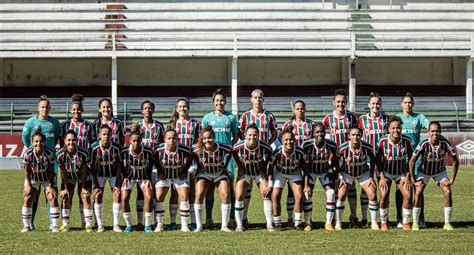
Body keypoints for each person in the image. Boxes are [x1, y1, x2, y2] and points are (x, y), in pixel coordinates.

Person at [238, 89, 278, 228]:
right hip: (248, 159)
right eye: (255, 97)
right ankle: (243, 219)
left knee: (265, 191)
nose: (258, 99)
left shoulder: (269, 117)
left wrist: (266, 145)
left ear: (263, 99)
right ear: (251, 99)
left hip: (263, 159)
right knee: (246, 191)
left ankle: (270, 223)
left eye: (260, 97)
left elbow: (274, 133)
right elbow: (240, 133)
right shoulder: (245, 116)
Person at [409, 122, 459, 231]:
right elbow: (412, 161)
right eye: (432, 131)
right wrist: (413, 179)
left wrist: (452, 179)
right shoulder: (423, 144)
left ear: (440, 132)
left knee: (448, 191)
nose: (435, 133)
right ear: (428, 132)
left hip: (439, 172)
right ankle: (416, 223)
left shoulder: (445, 144)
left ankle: (447, 223)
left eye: (437, 131)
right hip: (423, 172)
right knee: (418, 192)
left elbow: (455, 161)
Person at [21, 95, 61, 230]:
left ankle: (52, 223)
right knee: (32, 194)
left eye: (47, 107)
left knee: (50, 193)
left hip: (50, 163)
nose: (45, 109)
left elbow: (56, 139)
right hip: (34, 165)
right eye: (42, 107)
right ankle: (30, 223)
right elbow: (25, 139)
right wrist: (34, 150)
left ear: (50, 108)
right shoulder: (30, 122)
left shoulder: (54, 123)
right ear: (38, 108)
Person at [322, 89, 360, 228]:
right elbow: (322, 134)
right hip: (335, 157)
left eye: (343, 102)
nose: (340, 104)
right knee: (337, 186)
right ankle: (335, 218)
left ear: (346, 102)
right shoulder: (328, 119)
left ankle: (353, 215)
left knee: (351, 185)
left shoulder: (352, 118)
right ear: (334, 102)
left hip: (349, 157)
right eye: (338, 102)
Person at [201, 89, 239, 229]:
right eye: (217, 100)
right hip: (210, 158)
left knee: (229, 188)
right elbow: (202, 138)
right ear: (213, 102)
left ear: (225, 102)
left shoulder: (231, 118)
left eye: (222, 100)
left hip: (226, 158)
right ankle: (209, 218)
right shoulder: (206, 118)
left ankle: (231, 218)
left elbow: (235, 136)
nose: (219, 103)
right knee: (209, 188)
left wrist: (230, 148)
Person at [396, 92, 430, 228]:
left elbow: (429, 126)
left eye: (410, 102)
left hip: (416, 159)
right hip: (401, 159)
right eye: (405, 102)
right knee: (400, 189)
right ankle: (400, 218)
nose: (408, 105)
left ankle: (420, 218)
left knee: (418, 189)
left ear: (413, 104)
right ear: (401, 104)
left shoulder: (419, 117)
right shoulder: (397, 118)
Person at [60, 94, 94, 228]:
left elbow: (92, 144)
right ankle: (65, 224)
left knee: (84, 195)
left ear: (82, 110)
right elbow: (61, 144)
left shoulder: (89, 126)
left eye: (78, 109)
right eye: (73, 110)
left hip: (84, 165)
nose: (76, 112)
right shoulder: (65, 125)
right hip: (68, 166)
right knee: (67, 195)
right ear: (70, 111)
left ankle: (85, 223)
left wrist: (89, 161)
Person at [335, 127, 379, 230]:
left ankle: (374, 222)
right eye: (353, 135)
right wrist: (340, 176)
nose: (356, 137)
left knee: (372, 194)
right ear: (349, 136)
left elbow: (373, 160)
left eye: (358, 135)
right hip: (347, 173)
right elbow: (335, 162)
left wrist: (371, 176)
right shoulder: (342, 148)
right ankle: (338, 222)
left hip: (363, 173)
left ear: (362, 135)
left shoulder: (367, 147)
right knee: (341, 194)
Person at [192, 126, 235, 232]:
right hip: (204, 174)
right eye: (205, 138)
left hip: (219, 173)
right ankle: (199, 226)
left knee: (225, 194)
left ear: (214, 137)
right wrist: (197, 167)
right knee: (199, 194)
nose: (207, 140)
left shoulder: (222, 147)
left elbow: (231, 152)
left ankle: (224, 226)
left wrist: (225, 166)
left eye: (210, 137)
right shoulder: (197, 149)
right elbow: (191, 156)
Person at [233, 124, 274, 231]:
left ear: (258, 135)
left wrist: (264, 166)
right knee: (239, 196)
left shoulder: (264, 147)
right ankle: (239, 224)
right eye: (250, 135)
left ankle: (269, 223)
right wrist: (240, 167)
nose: (252, 137)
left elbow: (270, 153)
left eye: (255, 135)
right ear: (245, 136)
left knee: (266, 194)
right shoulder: (239, 147)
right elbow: (233, 153)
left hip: (259, 173)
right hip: (245, 173)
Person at [168, 98, 200, 229]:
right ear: (176, 109)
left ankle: (192, 221)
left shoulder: (196, 124)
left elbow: (198, 141)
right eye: (180, 106)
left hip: (191, 162)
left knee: (191, 192)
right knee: (174, 192)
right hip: (175, 163)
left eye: (185, 106)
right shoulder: (172, 124)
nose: (182, 108)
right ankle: (172, 222)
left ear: (188, 108)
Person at [56, 130, 98, 232]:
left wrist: (84, 187)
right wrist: (65, 188)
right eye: (69, 140)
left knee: (85, 196)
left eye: (73, 140)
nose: (71, 142)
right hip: (69, 177)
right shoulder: (60, 155)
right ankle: (65, 224)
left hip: (83, 177)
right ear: (65, 141)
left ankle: (87, 225)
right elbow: (63, 172)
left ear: (77, 141)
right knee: (65, 197)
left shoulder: (83, 153)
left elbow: (83, 171)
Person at [376, 116, 413, 231]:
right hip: (386, 173)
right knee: (383, 195)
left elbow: (411, 160)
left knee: (408, 194)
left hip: (401, 173)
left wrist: (408, 177)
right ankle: (383, 222)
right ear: (388, 129)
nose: (395, 130)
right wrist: (381, 177)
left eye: (398, 128)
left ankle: (405, 222)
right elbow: (377, 160)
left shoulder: (407, 141)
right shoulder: (382, 141)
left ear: (401, 129)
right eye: (393, 128)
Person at [282, 99, 315, 227]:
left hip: (306, 162)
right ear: (294, 110)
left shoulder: (310, 125)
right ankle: (290, 219)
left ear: (305, 110)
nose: (300, 111)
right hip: (293, 162)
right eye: (298, 109)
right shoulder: (288, 124)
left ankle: (307, 220)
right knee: (291, 191)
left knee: (306, 191)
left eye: (302, 109)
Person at [358, 92, 389, 226]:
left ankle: (384, 218)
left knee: (384, 188)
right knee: (366, 189)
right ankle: (365, 217)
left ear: (380, 105)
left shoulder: (386, 119)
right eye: (373, 103)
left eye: (378, 103)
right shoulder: (362, 120)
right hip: (367, 160)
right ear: (369, 105)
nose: (375, 106)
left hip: (382, 160)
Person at [269, 128, 309, 231]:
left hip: (295, 173)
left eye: (291, 139)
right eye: (286, 140)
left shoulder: (300, 151)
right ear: (281, 141)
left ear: (294, 139)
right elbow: (270, 168)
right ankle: (277, 222)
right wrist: (270, 184)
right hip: (280, 173)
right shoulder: (277, 152)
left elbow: (305, 168)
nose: (288, 142)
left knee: (299, 196)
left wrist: (306, 185)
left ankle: (297, 222)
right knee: (275, 196)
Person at [154, 129, 193, 232]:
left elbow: (191, 157)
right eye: (169, 138)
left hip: (178, 176)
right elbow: (154, 159)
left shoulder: (184, 149)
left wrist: (185, 171)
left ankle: (184, 225)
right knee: (159, 196)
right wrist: (159, 171)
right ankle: (159, 225)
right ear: (164, 139)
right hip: (164, 176)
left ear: (177, 139)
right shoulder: (158, 149)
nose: (172, 140)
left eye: (174, 138)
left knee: (184, 196)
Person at [302, 124, 339, 231]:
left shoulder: (331, 145)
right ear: (313, 134)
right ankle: (308, 223)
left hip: (324, 172)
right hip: (311, 172)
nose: (320, 134)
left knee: (331, 193)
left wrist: (336, 172)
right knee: (307, 194)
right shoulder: (306, 145)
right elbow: (304, 164)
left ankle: (328, 223)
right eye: (317, 132)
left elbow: (336, 160)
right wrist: (306, 183)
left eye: (322, 132)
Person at [120, 124, 155, 233]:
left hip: (143, 177)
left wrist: (149, 178)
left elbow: (150, 165)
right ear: (129, 140)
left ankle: (147, 225)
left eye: (138, 140)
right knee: (124, 198)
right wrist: (124, 176)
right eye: (134, 141)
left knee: (149, 197)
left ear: (141, 140)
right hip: (129, 178)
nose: (136, 143)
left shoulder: (148, 151)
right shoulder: (124, 151)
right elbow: (120, 165)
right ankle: (129, 225)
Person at [137, 100, 165, 230]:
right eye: (145, 108)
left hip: (155, 164)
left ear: (153, 110)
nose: (148, 110)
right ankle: (140, 221)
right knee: (141, 192)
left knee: (154, 192)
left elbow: (163, 144)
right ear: (142, 111)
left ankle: (156, 221)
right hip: (141, 164)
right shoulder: (137, 126)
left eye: (150, 108)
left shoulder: (159, 126)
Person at [89, 125, 123, 232]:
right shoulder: (93, 148)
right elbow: (93, 168)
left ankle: (116, 225)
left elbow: (119, 166)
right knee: (98, 195)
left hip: (113, 174)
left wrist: (117, 184)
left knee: (117, 194)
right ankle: (99, 225)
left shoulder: (116, 148)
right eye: (104, 134)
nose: (106, 136)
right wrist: (96, 184)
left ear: (111, 135)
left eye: (108, 134)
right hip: (99, 174)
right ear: (99, 135)